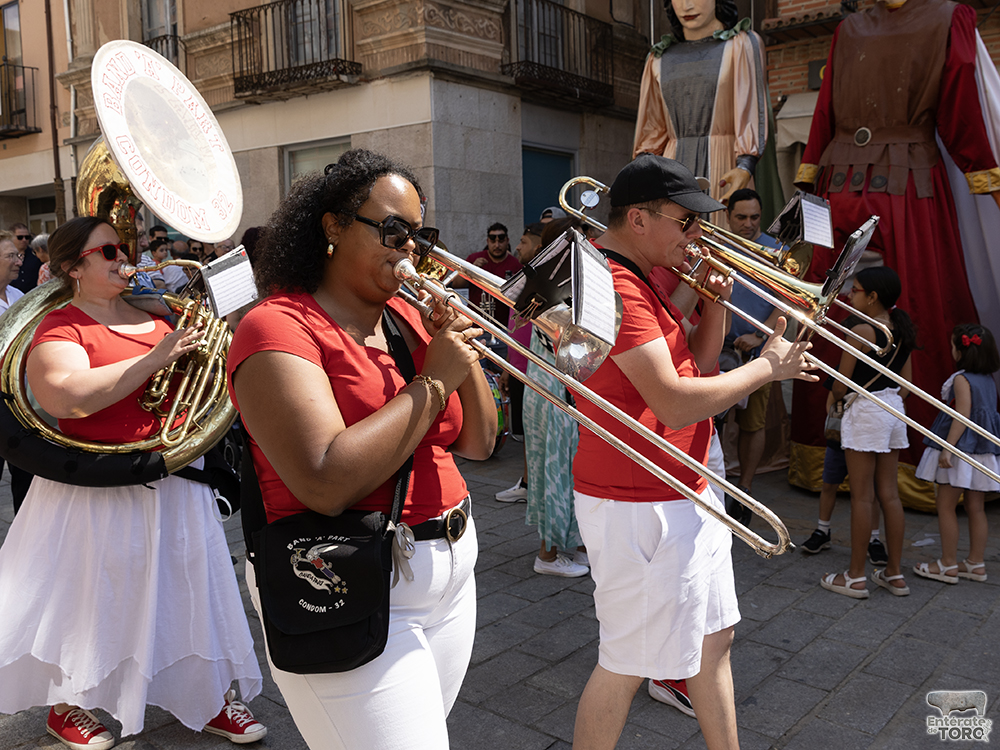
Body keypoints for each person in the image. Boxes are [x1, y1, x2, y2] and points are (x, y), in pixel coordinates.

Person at [227, 148, 497, 750]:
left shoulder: (406, 317)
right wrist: (433, 382)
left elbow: (479, 441)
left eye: (419, 236)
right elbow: (324, 479)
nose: (410, 250)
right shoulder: (275, 326)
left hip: (451, 570)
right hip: (345, 575)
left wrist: (455, 342)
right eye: (393, 230)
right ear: (332, 227)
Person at [570, 154, 816, 750]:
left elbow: (697, 372)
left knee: (712, 641)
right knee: (626, 662)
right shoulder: (615, 285)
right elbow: (677, 401)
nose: (698, 235)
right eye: (686, 222)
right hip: (637, 500)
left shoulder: (644, 277)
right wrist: (765, 367)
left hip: (681, 485)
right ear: (637, 218)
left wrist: (716, 305)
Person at [0, 216, 266, 750]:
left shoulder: (158, 313)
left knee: (190, 589)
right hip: (94, 487)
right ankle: (67, 703)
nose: (126, 258)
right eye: (109, 253)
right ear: (73, 268)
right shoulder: (62, 327)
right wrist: (157, 358)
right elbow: (64, 395)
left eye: (124, 248)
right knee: (88, 597)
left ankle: (208, 697)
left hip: (173, 475)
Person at [792, 0, 1000, 492]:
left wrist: (809, 177)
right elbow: (961, 106)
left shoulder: (944, 17)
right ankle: (880, 462)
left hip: (870, 181)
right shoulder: (861, 27)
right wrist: (984, 174)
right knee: (905, 303)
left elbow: (958, 100)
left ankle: (848, 456)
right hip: (893, 187)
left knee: (856, 307)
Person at [820, 267, 917, 599]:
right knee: (889, 494)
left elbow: (840, 384)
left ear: (873, 297)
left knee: (863, 496)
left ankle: (856, 576)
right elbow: (906, 382)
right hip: (893, 409)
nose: (850, 294)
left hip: (865, 410)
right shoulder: (901, 327)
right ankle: (895, 573)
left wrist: (834, 398)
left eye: (856, 289)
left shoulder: (861, 329)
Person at [633, 0, 771, 217]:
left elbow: (751, 109)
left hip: (725, 167)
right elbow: (652, 130)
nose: (687, 5)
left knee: (720, 241)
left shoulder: (742, 44)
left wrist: (745, 165)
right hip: (672, 171)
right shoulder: (657, 58)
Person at [522, 218, 588, 577]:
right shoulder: (553, 287)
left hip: (546, 388)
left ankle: (575, 545)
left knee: (560, 468)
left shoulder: (546, 283)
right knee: (557, 469)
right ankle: (547, 555)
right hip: (553, 390)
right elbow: (574, 340)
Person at [913, 324, 1000, 584]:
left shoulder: (962, 379)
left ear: (962, 351)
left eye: (953, 345)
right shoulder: (987, 380)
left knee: (946, 505)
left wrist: (948, 449)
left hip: (961, 449)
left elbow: (961, 416)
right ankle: (975, 563)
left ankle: (948, 564)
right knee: (976, 507)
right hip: (983, 450)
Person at [718, 189, 782, 501]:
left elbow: (786, 303)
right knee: (714, 418)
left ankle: (745, 489)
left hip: (756, 349)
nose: (748, 224)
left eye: (754, 217)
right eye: (741, 217)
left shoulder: (776, 250)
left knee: (752, 422)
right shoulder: (717, 244)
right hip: (718, 345)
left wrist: (760, 336)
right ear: (728, 216)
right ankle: (714, 482)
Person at [496, 221, 546, 502]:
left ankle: (535, 487)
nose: (516, 247)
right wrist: (506, 366)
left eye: (523, 242)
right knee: (526, 435)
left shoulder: (546, 281)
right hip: (518, 369)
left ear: (538, 246)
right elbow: (515, 326)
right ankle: (527, 484)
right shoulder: (524, 277)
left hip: (536, 373)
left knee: (536, 435)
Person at [0, 231, 33, 513]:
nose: (19, 262)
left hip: (18, 399)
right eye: (11, 256)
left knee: (26, 472)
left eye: (18, 255)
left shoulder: (17, 295)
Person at [453, 223, 522, 326]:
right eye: (493, 241)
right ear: (487, 241)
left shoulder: (515, 263)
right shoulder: (474, 258)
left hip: (503, 325)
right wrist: (470, 270)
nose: (497, 245)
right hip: (475, 322)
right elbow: (456, 285)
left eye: (501, 241)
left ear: (507, 241)